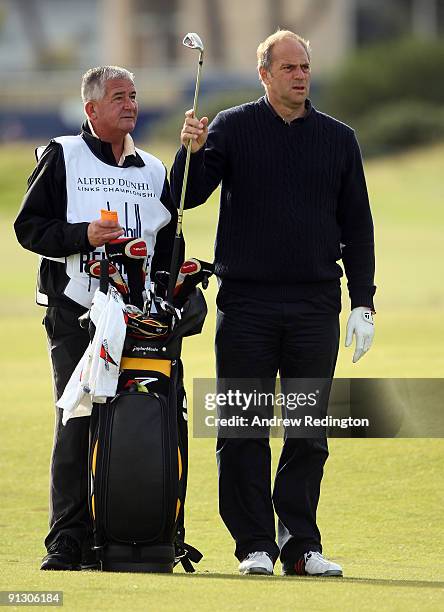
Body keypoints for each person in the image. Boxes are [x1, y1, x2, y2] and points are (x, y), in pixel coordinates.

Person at [171, 30, 376, 577]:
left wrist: (364, 302)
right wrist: (187, 150)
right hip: (247, 304)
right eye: (288, 67)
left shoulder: (339, 139)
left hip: (314, 304)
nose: (300, 75)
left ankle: (302, 545)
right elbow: (185, 195)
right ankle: (255, 544)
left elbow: (358, 227)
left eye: (304, 66)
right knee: (243, 428)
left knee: (308, 432)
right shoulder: (232, 128)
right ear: (264, 74)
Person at [14, 66, 181, 571]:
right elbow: (29, 228)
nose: (129, 104)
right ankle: (66, 539)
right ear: (91, 109)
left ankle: (132, 532)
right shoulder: (62, 154)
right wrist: (82, 236)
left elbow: (169, 244)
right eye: (117, 97)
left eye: (134, 95)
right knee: (77, 420)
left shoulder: (155, 170)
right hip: (75, 311)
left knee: (138, 422)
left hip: (138, 315)